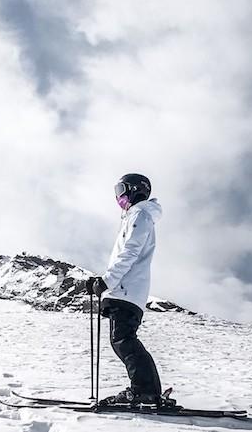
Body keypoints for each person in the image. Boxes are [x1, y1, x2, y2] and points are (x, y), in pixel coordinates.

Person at [86, 173, 164, 406]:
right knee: (122, 339)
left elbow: (130, 252)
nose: (118, 196)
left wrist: (107, 281)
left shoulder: (140, 214)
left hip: (126, 290)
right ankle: (146, 390)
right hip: (126, 290)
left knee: (123, 339)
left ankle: (145, 391)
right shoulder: (136, 216)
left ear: (134, 189)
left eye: (121, 189)